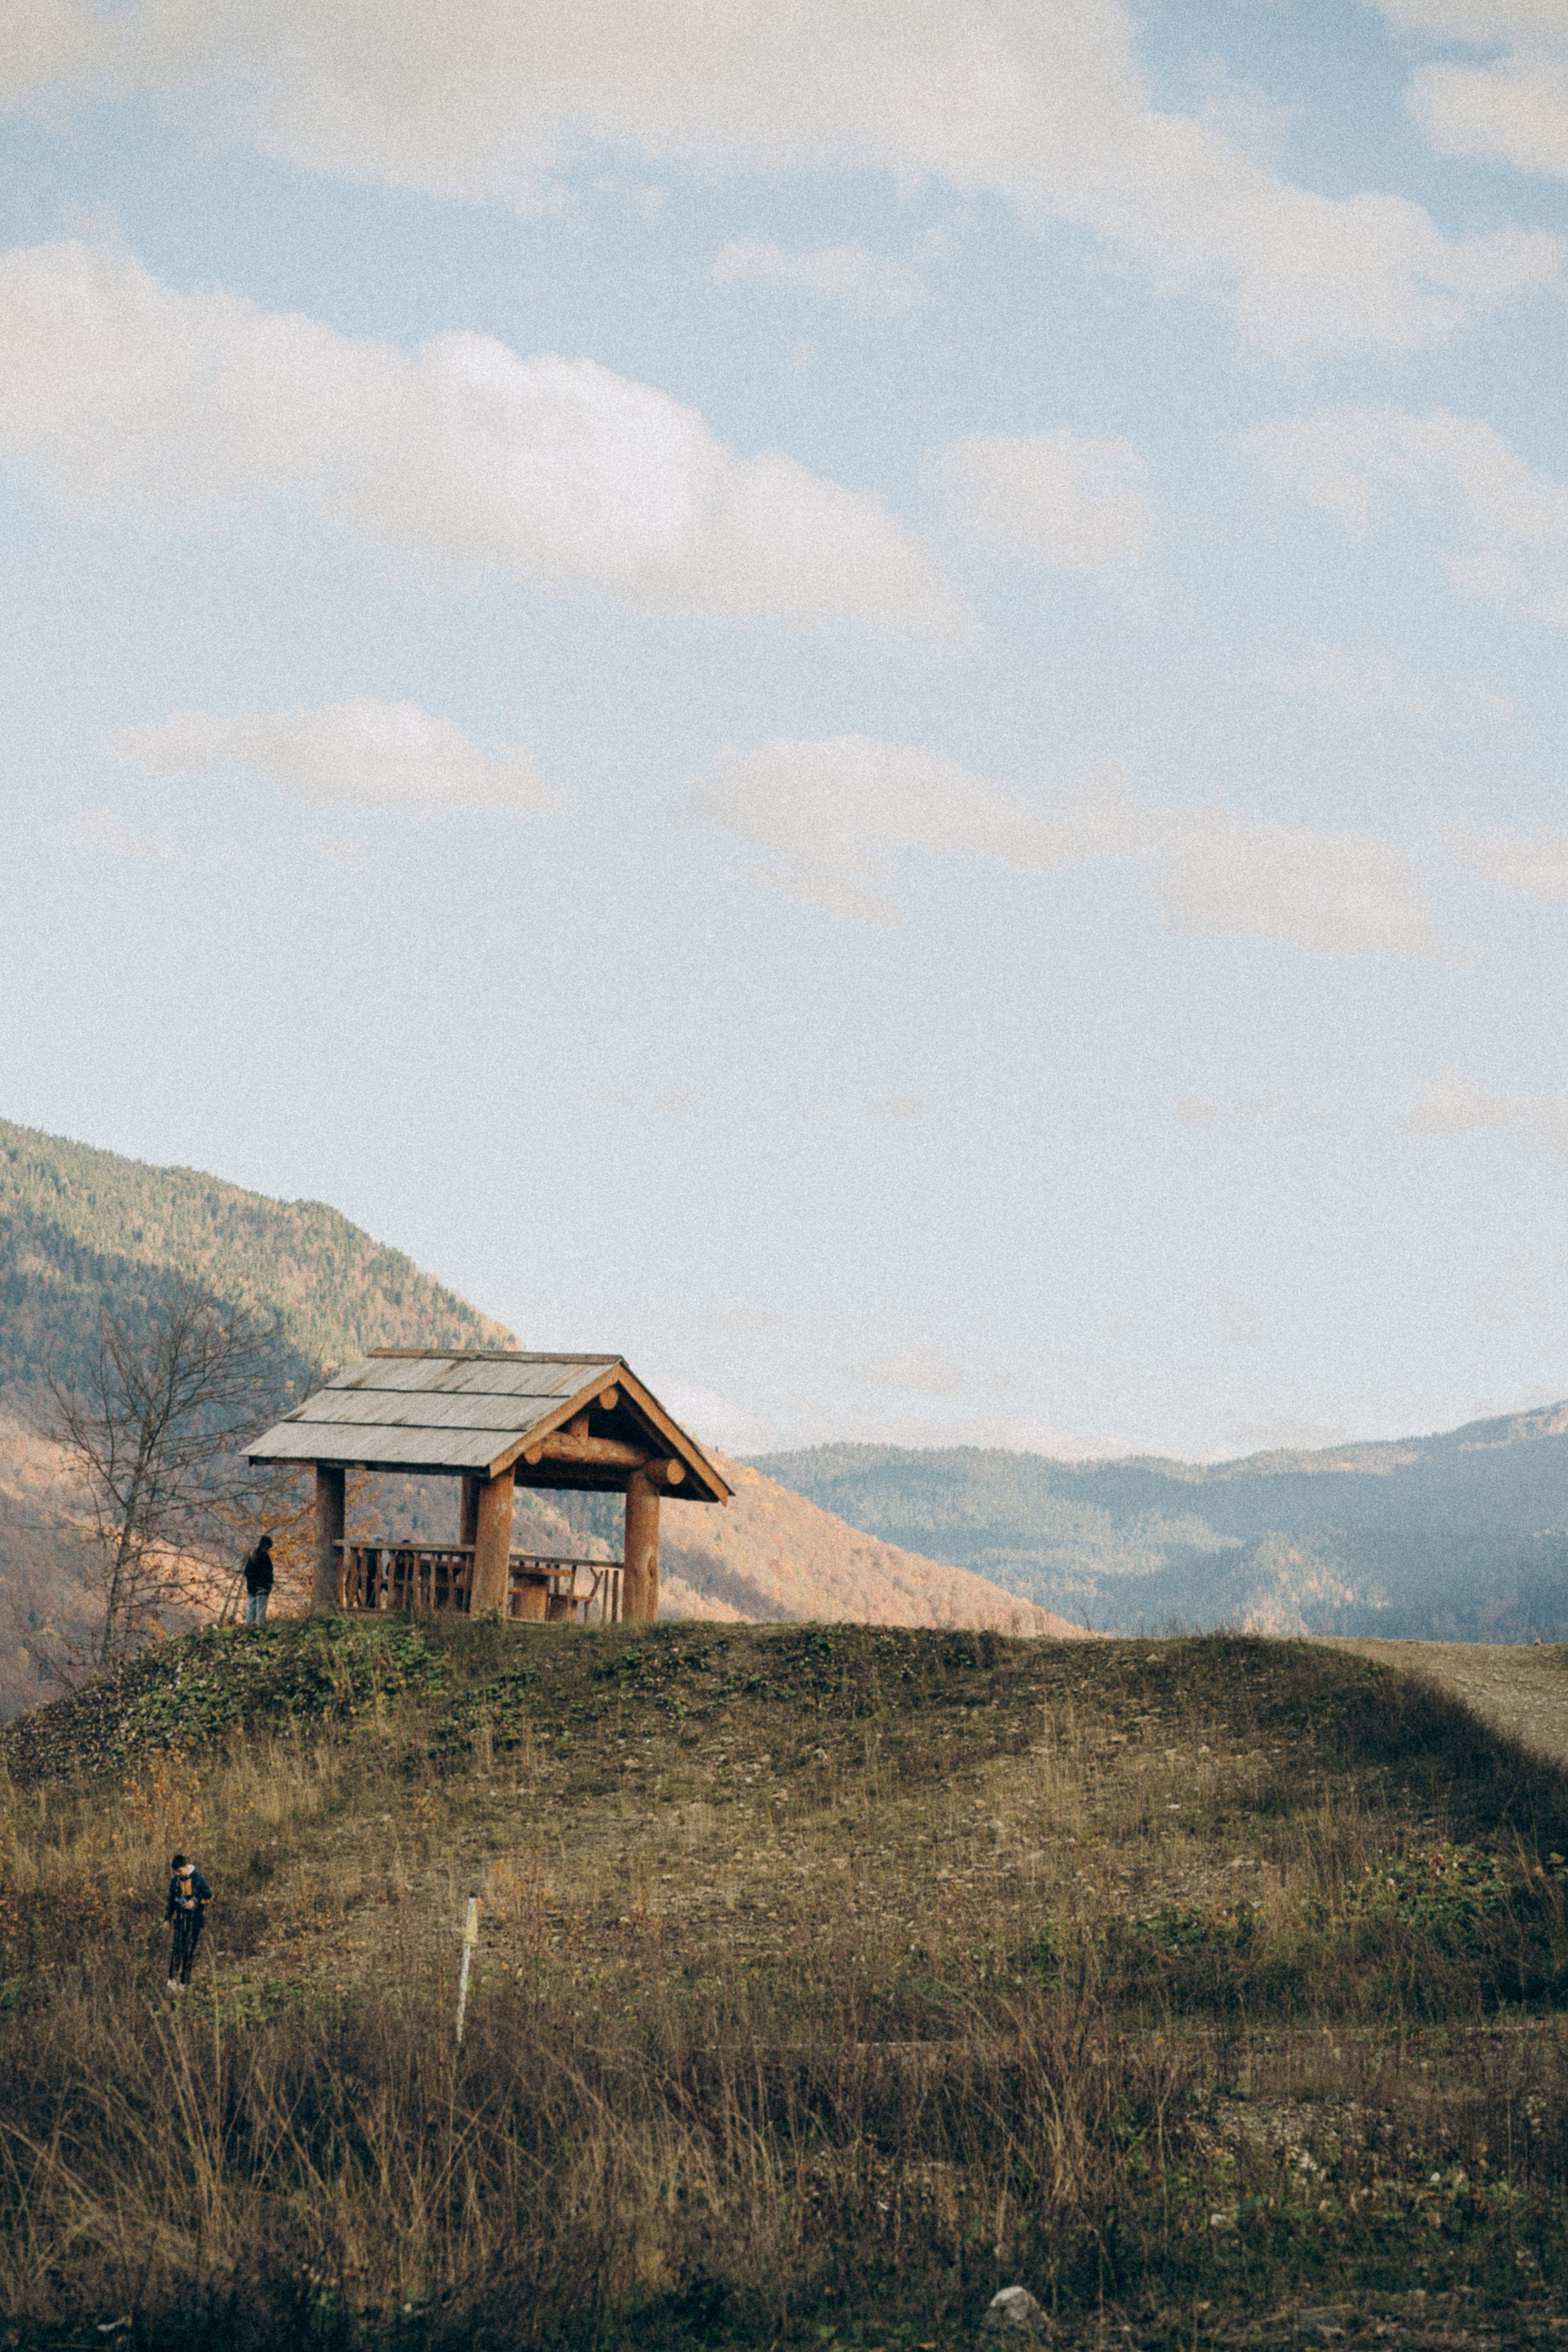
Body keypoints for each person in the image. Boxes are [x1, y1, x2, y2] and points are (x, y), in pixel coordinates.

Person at [165, 1853, 212, 1990]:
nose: (178, 1874)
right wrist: (167, 1919)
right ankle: (171, 1979)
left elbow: (208, 1894)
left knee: (189, 1951)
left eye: (179, 1871)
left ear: (186, 1866)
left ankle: (184, 1982)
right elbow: (171, 1901)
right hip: (180, 1921)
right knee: (176, 1949)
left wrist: (195, 1901)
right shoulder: (175, 1881)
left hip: (194, 1921)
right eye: (176, 1872)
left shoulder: (199, 1879)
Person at [242, 1531, 274, 1627]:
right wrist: (268, 1583)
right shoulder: (265, 1557)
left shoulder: (253, 1556)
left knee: (251, 1608)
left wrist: (252, 1582)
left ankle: (248, 1627)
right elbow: (267, 1573)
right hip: (262, 1587)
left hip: (252, 1587)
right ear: (267, 1546)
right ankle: (260, 1628)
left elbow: (247, 1572)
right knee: (261, 1610)